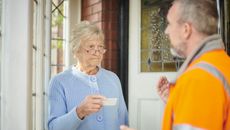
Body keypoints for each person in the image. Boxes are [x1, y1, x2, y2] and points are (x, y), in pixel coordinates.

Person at [121, 0, 230, 130]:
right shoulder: (221, 63)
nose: (166, 31)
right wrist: (177, 100)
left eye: (169, 24)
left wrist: (186, 94)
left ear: (186, 30)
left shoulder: (197, 79)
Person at [48, 21, 128, 130]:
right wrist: (79, 111)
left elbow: (123, 121)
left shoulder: (113, 79)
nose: (97, 52)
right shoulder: (59, 82)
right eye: (91, 47)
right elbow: (53, 127)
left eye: (100, 47)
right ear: (76, 51)